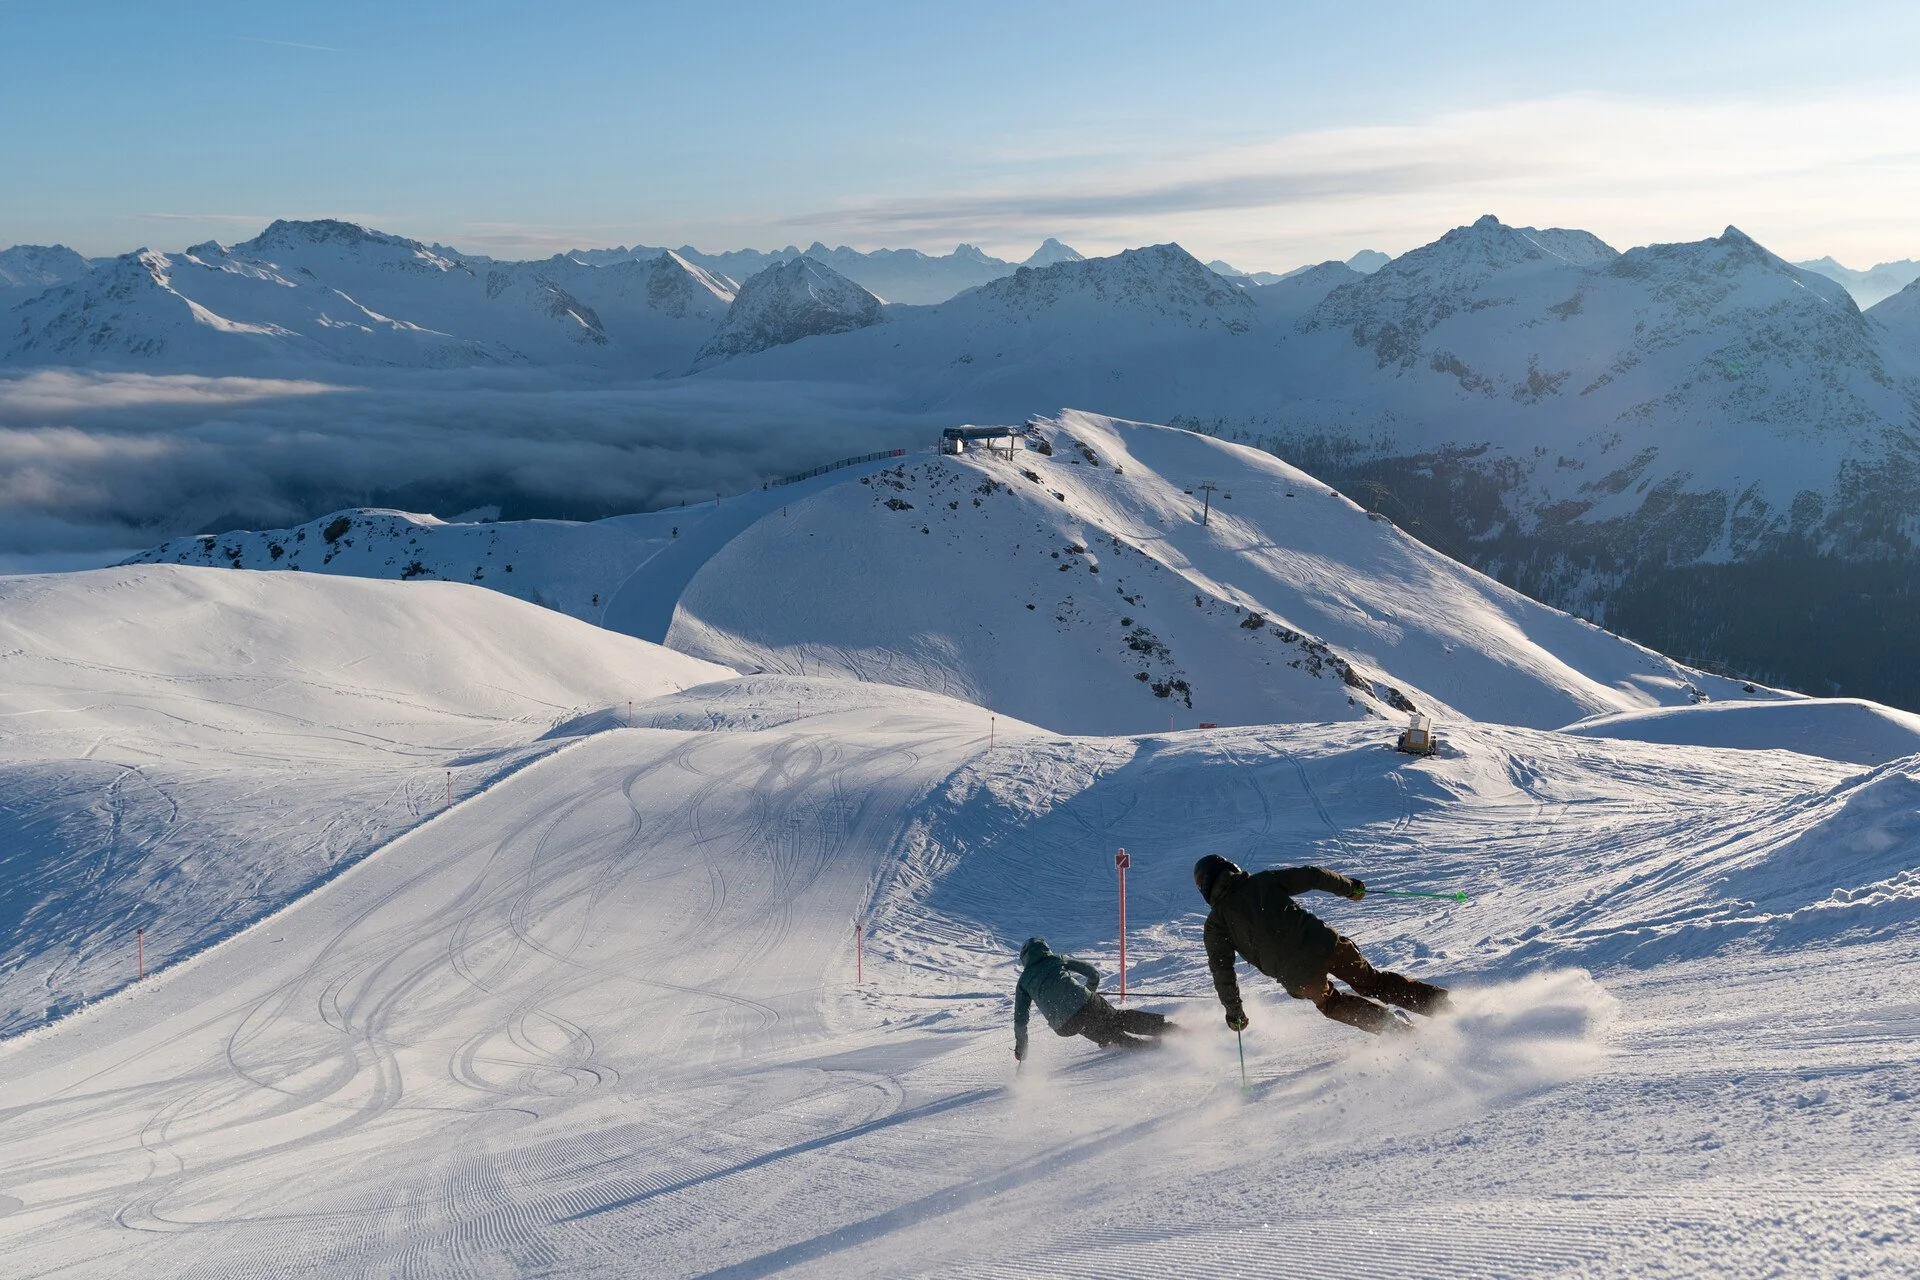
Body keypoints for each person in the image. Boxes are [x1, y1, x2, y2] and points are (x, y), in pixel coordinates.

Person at [1193, 856, 1450, 1036]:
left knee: (1332, 1003)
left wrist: (1235, 1012)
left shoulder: (1216, 925)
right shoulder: (1263, 882)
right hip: (1327, 946)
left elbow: (1222, 971)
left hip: (1298, 976)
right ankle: (1442, 1007)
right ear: (1230, 868)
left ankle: (1392, 1027)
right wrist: (1349, 889)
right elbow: (1313, 876)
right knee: (1374, 982)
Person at [1012, 936, 1172, 1060]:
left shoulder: (1023, 982)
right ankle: (1169, 1030)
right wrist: (1088, 993)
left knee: (1100, 1030)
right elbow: (1094, 973)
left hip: (1064, 1026)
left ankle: (1136, 1046)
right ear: (1045, 948)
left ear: (1024, 958)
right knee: (1117, 1018)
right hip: (1087, 1003)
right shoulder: (1056, 959)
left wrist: (1022, 1049)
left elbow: (1020, 1019)